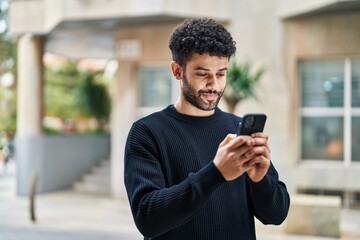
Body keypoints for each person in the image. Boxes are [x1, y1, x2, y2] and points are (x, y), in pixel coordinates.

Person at [124, 18, 290, 240]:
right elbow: (147, 218)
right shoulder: (147, 133)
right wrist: (216, 173)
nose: (214, 85)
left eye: (221, 74)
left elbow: (277, 215)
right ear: (177, 71)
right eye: (203, 74)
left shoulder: (236, 129)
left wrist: (260, 180)